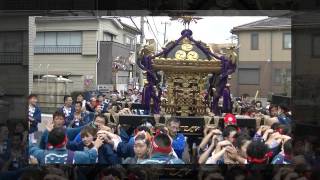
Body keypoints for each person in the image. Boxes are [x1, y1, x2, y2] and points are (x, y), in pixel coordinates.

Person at [29, 127, 103, 164]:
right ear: (66, 141)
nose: (84, 139)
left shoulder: (41, 154)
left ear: (50, 142)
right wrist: (96, 146)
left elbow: (30, 147)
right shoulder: (77, 156)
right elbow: (90, 156)